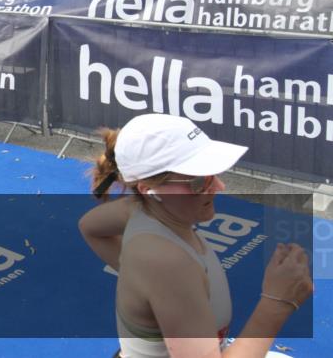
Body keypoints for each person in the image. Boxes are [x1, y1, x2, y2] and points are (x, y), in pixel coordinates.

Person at [79, 113, 313, 358]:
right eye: (199, 180)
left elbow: (90, 227)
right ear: (149, 189)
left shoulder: (140, 209)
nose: (219, 187)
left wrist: (146, 286)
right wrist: (277, 303)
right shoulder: (166, 263)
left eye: (212, 173)